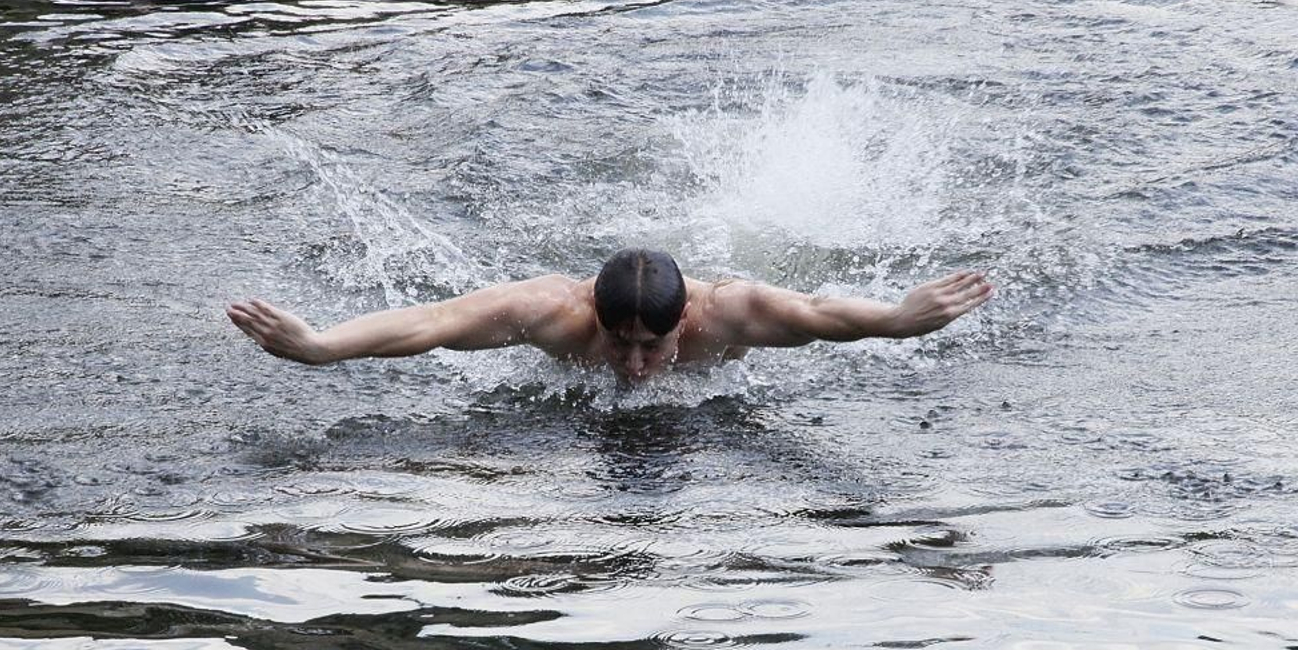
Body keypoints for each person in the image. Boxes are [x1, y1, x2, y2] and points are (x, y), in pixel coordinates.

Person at [227, 248, 994, 382]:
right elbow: (430, 323)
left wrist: (897, 319)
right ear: (592, 314)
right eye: (619, 345)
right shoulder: (550, 312)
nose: (633, 365)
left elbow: (823, 312)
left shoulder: (727, 313)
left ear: (682, 320)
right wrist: (322, 346)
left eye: (652, 348)